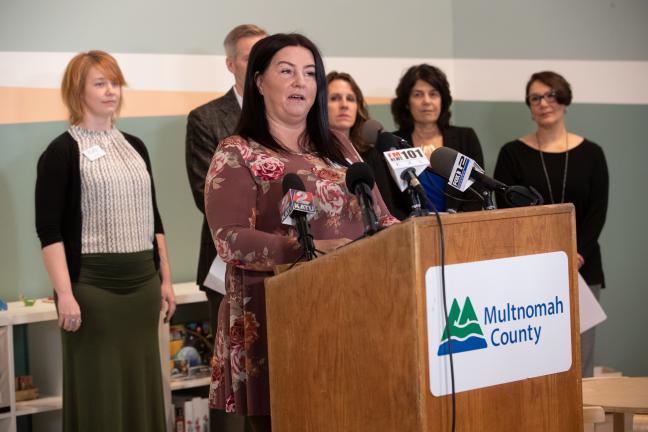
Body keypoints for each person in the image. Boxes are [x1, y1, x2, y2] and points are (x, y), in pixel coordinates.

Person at [205, 33, 397, 431]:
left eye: (310, 73)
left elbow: (381, 218)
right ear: (258, 82)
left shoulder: (340, 146)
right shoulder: (238, 151)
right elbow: (229, 238)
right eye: (287, 71)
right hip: (277, 319)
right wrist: (305, 248)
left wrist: (417, 234)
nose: (300, 82)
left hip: (354, 311)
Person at [35, 50, 176, 431]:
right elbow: (48, 232)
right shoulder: (61, 152)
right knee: (99, 391)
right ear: (76, 90)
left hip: (142, 285)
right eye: (100, 83)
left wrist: (165, 279)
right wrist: (65, 293)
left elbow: (155, 219)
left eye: (114, 82)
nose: (111, 90)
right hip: (93, 289)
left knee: (142, 386)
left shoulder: (136, 146)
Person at [494, 71, 609, 378]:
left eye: (551, 95)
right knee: (534, 357)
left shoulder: (592, 154)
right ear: (529, 106)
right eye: (536, 98)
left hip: (582, 268)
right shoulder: (511, 154)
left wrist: (577, 255)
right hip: (530, 267)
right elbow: (505, 212)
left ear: (565, 100)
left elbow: (597, 212)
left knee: (579, 360)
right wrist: (542, 258)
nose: (544, 103)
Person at [185, 24, 267, 432]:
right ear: (231, 63)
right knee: (231, 376)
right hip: (225, 265)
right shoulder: (206, 119)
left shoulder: (289, 114)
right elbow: (208, 191)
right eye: (249, 55)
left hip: (285, 262)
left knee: (273, 376)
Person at [364, 64, 485, 220]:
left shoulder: (465, 138)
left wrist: (457, 223)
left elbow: (477, 191)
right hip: (409, 231)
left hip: (460, 230)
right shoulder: (391, 144)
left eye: (433, 94)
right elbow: (390, 201)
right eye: (418, 94)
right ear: (407, 102)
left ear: (442, 100)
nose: (426, 101)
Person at [326, 71, 370, 155]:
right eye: (334, 98)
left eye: (350, 99)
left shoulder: (370, 154)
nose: (344, 105)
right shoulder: (309, 155)